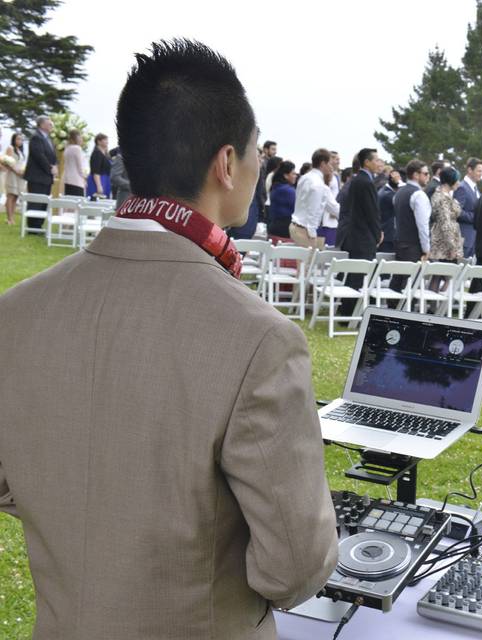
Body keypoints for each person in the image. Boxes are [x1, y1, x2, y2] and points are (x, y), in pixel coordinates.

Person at [0, 39, 338, 639]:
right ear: (227, 163)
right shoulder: (259, 338)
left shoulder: (17, 311)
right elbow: (294, 567)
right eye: (258, 153)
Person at [340, 147, 382, 313]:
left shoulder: (359, 180)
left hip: (357, 234)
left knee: (355, 275)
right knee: (359, 275)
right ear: (367, 162)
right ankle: (350, 311)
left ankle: (348, 310)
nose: (379, 163)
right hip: (363, 236)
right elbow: (371, 211)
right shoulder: (365, 182)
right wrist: (378, 232)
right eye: (376, 160)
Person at [389, 159, 431, 296]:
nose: (428, 177)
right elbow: (423, 225)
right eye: (425, 173)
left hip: (400, 243)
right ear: (416, 175)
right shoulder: (419, 194)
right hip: (413, 247)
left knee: (397, 285)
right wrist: (427, 249)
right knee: (410, 289)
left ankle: (392, 314)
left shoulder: (399, 193)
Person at [290, 148, 339, 248]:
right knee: (307, 262)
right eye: (330, 163)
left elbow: (332, 206)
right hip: (305, 229)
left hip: (297, 226)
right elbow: (313, 211)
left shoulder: (305, 177)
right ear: (323, 164)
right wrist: (312, 235)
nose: (332, 166)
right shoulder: (318, 184)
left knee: (303, 262)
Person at [23, 115, 58, 229]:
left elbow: (53, 155)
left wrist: (56, 166)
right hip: (37, 176)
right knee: (35, 202)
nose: (51, 126)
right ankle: (33, 226)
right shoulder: (36, 137)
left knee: (44, 202)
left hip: (46, 177)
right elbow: (39, 156)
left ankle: (39, 225)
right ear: (42, 125)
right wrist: (50, 168)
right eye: (49, 124)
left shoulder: (49, 139)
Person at [429, 166, 464, 262]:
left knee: (442, 274)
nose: (459, 183)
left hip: (447, 242)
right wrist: (451, 247)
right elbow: (445, 223)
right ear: (451, 180)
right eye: (457, 180)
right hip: (444, 245)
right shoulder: (442, 198)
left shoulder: (445, 195)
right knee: (446, 272)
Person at [454, 157, 482, 258]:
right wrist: (476, 218)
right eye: (479, 171)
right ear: (470, 170)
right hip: (465, 238)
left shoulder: (476, 189)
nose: (481, 174)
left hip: (474, 239)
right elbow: (457, 211)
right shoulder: (462, 187)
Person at [267, 160, 297, 242]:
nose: (295, 176)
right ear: (286, 175)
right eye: (293, 173)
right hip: (285, 230)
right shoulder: (288, 190)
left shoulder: (276, 187)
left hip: (273, 227)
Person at [4, 132, 27, 224]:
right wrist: (16, 170)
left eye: (21, 139)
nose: (20, 141)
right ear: (14, 139)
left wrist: (22, 171)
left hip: (20, 176)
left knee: (16, 196)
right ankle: (9, 218)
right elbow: (7, 162)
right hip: (12, 174)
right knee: (11, 195)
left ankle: (11, 217)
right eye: (18, 139)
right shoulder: (10, 148)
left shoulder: (20, 151)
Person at [377, 167, 402, 252]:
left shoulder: (385, 190)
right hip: (387, 236)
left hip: (386, 234)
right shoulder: (387, 194)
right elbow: (401, 201)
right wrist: (401, 184)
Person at [61, 130, 87, 197]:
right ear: (77, 138)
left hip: (67, 179)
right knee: (76, 204)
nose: (82, 139)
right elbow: (80, 167)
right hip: (77, 180)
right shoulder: (77, 149)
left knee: (69, 203)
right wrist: (84, 177)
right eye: (80, 137)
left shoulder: (67, 148)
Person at [86, 133, 112, 198]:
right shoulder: (97, 153)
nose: (107, 142)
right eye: (105, 140)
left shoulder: (105, 154)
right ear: (99, 141)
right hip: (98, 181)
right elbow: (96, 171)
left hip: (106, 180)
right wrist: (99, 186)